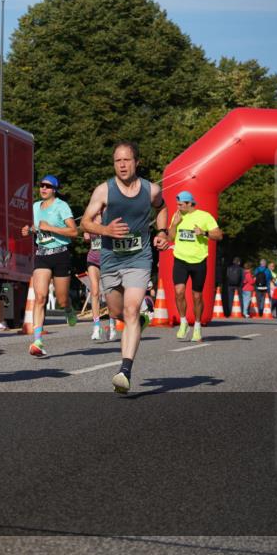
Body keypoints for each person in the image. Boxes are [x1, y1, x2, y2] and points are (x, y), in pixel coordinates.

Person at [80, 141, 168, 395]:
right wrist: (105, 230)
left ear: (136, 162)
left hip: (139, 258)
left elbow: (161, 207)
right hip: (110, 259)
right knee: (118, 311)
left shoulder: (151, 190)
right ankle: (139, 320)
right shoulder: (103, 191)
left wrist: (162, 231)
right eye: (117, 160)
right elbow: (85, 222)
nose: (122, 165)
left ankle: (125, 371)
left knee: (130, 310)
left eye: (127, 160)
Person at [19, 175, 78, 357]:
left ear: (55, 189)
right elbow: (38, 228)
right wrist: (29, 230)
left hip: (60, 254)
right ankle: (37, 341)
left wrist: (51, 228)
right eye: (41, 186)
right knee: (40, 297)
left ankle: (68, 308)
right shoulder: (36, 206)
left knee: (61, 299)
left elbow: (74, 231)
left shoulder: (62, 206)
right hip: (42, 255)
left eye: (47, 186)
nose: (43, 189)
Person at [167, 190, 222, 342]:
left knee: (197, 296)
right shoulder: (177, 216)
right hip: (180, 259)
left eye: (180, 204)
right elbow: (171, 237)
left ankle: (197, 326)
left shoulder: (205, 216)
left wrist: (203, 233)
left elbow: (219, 235)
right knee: (179, 291)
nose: (178, 207)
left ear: (190, 203)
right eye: (177, 204)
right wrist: (175, 224)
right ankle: (184, 322)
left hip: (199, 261)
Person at [84, 211, 111, 342]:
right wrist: (86, 233)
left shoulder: (109, 218)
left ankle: (112, 324)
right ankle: (96, 326)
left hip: (108, 260)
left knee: (109, 293)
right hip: (93, 259)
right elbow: (86, 236)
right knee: (95, 292)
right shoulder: (90, 219)